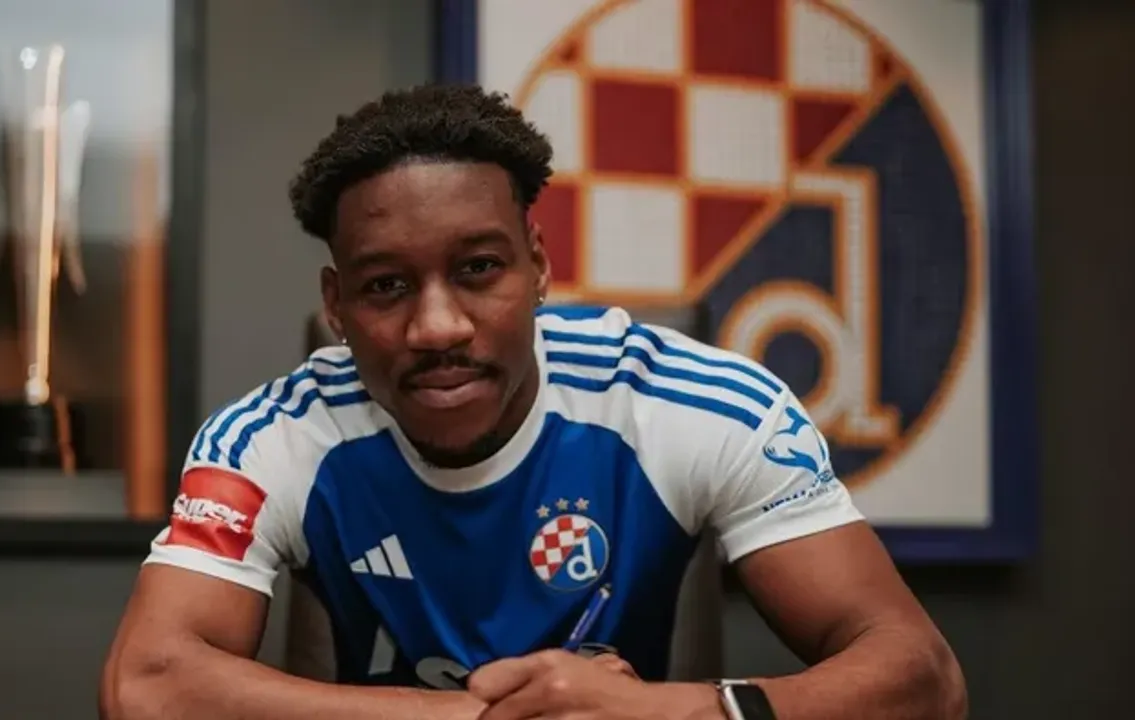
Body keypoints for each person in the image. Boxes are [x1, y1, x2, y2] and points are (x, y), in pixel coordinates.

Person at [100, 84, 966, 720]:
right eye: (386, 285)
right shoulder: (272, 438)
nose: (437, 326)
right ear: (337, 304)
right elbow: (146, 685)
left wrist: (674, 712)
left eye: (479, 269)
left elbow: (921, 678)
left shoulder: (694, 407)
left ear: (539, 265)